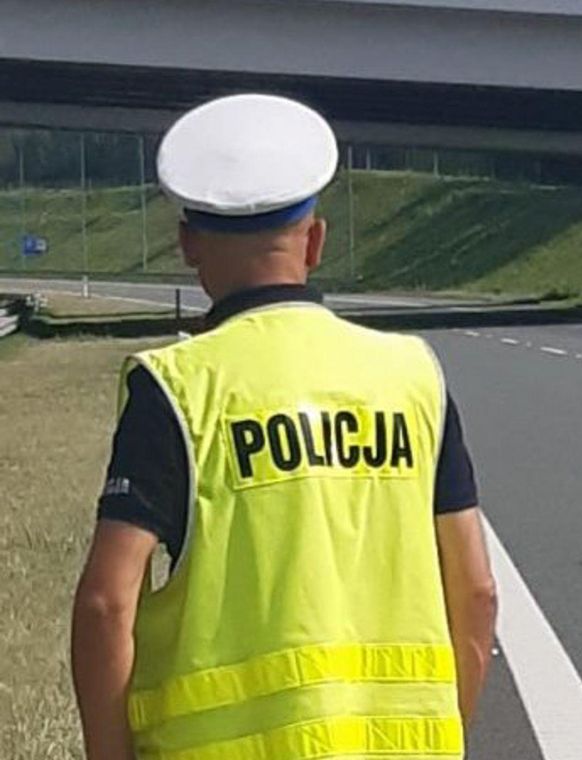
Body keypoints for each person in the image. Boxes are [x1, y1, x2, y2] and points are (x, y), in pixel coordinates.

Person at [70, 94, 497, 760]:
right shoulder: (413, 375)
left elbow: (106, 604)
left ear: (186, 243)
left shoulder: (178, 388)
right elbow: (475, 590)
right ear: (317, 240)